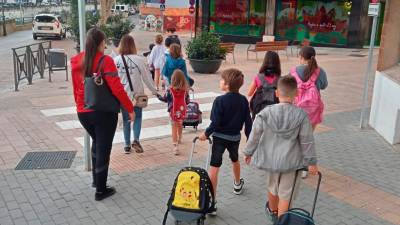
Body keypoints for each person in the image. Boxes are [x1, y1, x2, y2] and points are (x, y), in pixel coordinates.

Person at [243, 75, 319, 223]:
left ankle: (273, 212)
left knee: (272, 187)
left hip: (270, 161)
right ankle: (282, 221)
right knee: (286, 193)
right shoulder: (301, 116)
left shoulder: (265, 113)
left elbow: (255, 134)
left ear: (277, 93)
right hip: (291, 163)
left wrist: (248, 152)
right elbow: (307, 141)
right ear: (296, 94)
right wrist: (312, 162)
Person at [71, 28, 134, 201]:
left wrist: (79, 105)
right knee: (103, 149)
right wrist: (130, 108)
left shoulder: (77, 60)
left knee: (97, 143)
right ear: (101, 43)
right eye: (104, 41)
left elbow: (76, 87)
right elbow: (117, 89)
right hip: (103, 113)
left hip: (82, 112)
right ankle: (100, 190)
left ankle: (95, 181)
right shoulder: (105, 61)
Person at [199, 68, 252, 216]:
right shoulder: (243, 101)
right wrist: (249, 141)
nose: (220, 81)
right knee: (235, 159)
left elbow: (215, 123)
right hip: (235, 138)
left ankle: (212, 202)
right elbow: (248, 123)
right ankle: (237, 184)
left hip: (219, 138)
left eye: (222, 80)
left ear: (227, 84)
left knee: (214, 168)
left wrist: (205, 134)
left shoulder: (219, 101)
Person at [114, 35, 158, 154]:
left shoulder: (116, 60)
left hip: (123, 95)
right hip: (137, 95)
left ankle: (127, 145)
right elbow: (147, 77)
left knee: (126, 119)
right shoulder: (139, 60)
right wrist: (155, 91)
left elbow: (113, 79)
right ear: (133, 45)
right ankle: (136, 140)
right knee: (137, 117)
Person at [289, 46, 327, 178]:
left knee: (296, 137)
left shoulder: (293, 71)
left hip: (296, 110)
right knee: (307, 138)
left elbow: (289, 87)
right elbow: (324, 85)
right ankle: (304, 168)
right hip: (313, 111)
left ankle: (295, 164)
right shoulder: (319, 71)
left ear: (300, 57)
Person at [157, 69, 190, 155]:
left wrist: (158, 96)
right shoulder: (185, 91)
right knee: (180, 124)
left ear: (173, 79)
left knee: (173, 127)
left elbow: (164, 99)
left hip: (173, 111)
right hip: (182, 111)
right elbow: (187, 101)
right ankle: (180, 138)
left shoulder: (169, 90)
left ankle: (175, 146)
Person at [248, 51, 281, 119]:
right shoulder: (280, 79)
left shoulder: (258, 77)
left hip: (259, 110)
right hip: (274, 112)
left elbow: (249, 93)